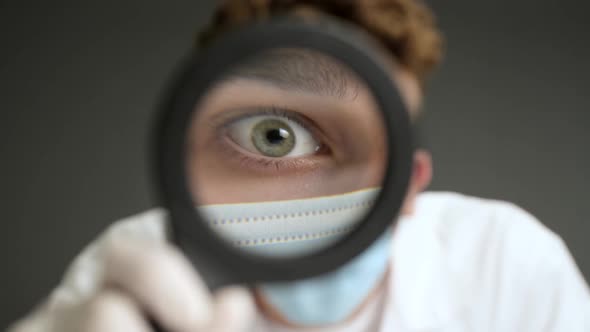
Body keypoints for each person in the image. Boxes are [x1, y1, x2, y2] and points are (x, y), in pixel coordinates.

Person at [10, 1, 590, 331]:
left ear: (410, 184)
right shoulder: (135, 272)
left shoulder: (506, 266)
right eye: (275, 136)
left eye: (376, 149)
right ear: (186, 148)